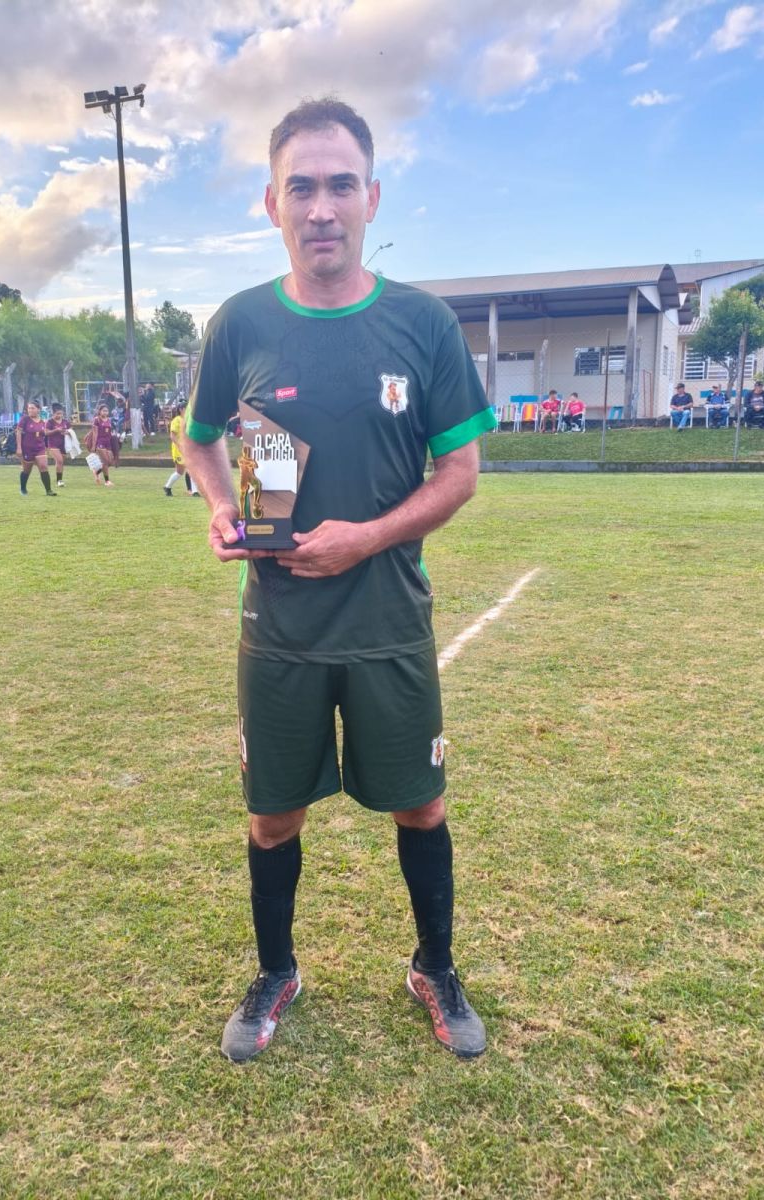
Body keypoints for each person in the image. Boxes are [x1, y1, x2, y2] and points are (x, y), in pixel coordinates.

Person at [181, 97, 495, 1064]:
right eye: (302, 187)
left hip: (389, 618)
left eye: (341, 185)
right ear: (271, 203)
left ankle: (434, 966)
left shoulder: (422, 323)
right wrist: (222, 506)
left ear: (372, 197)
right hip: (279, 627)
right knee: (272, 812)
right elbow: (199, 440)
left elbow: (460, 474)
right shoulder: (240, 323)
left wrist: (365, 539)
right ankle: (276, 971)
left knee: (421, 803)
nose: (322, 207)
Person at [16, 399, 56, 496]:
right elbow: (18, 432)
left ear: (38, 409)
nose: (30, 410)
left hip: (40, 448)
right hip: (27, 448)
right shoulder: (25, 419)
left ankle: (48, 490)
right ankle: (23, 489)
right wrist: (19, 447)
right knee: (26, 470)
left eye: (32, 408)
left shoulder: (43, 420)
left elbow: (44, 433)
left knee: (43, 466)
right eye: (29, 408)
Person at [163, 399, 199, 496]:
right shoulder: (176, 420)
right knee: (180, 472)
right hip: (179, 450)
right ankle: (167, 487)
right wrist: (180, 445)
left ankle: (194, 491)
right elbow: (172, 436)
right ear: (181, 409)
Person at [44, 402, 71, 488]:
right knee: (59, 461)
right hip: (53, 444)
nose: (59, 415)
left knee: (61, 463)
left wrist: (67, 432)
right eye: (57, 414)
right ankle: (59, 481)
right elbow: (46, 432)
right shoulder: (49, 422)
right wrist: (57, 430)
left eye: (61, 414)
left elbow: (70, 431)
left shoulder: (66, 422)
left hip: (63, 444)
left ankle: (59, 478)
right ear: (53, 413)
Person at [89, 401, 115, 485]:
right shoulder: (96, 420)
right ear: (99, 411)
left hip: (108, 442)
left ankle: (97, 472)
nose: (105, 412)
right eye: (103, 411)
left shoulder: (109, 420)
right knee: (105, 461)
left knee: (110, 462)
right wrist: (93, 446)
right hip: (100, 442)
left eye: (106, 411)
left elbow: (110, 432)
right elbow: (95, 433)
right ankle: (107, 481)